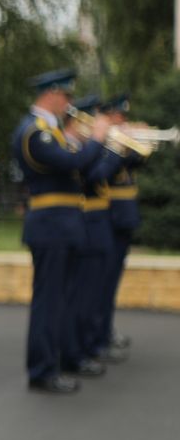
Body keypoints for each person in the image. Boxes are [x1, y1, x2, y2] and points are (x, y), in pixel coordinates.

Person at [11, 68, 111, 393]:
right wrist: (96, 139)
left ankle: (58, 360)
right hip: (50, 225)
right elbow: (71, 165)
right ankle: (42, 370)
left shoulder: (50, 130)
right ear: (51, 94)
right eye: (66, 96)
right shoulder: (34, 131)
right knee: (49, 302)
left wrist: (86, 144)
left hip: (63, 224)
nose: (69, 103)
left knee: (61, 300)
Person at [66, 95, 122, 376]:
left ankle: (88, 345)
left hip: (98, 222)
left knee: (94, 291)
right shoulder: (79, 147)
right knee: (84, 294)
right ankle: (79, 349)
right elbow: (95, 176)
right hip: (88, 222)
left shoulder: (86, 147)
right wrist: (112, 150)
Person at [96, 93, 143, 360]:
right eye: (118, 115)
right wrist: (115, 145)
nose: (122, 120)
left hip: (124, 216)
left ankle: (105, 331)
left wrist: (133, 141)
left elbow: (137, 162)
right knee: (102, 283)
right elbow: (102, 172)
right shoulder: (103, 143)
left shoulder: (116, 142)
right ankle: (98, 336)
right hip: (109, 216)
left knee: (111, 282)